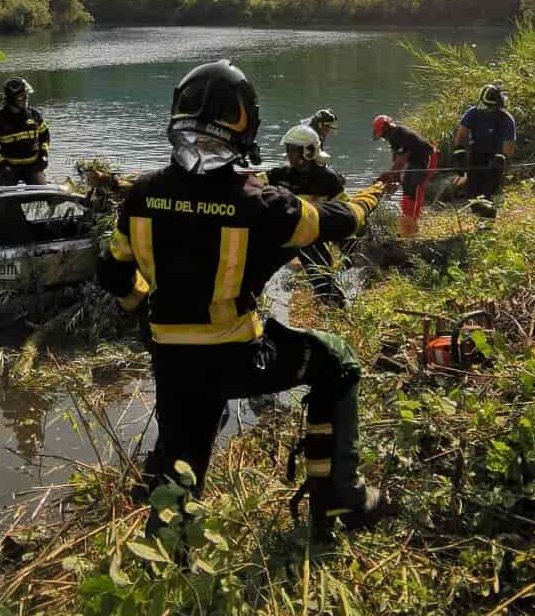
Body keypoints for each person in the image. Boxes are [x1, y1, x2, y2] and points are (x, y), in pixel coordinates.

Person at [96, 59, 394, 536]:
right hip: (240, 358)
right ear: (245, 125)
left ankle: (164, 563)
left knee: (181, 464)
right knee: (337, 361)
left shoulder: (140, 197)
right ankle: (341, 497)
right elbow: (343, 220)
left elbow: (111, 274)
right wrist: (374, 193)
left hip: (172, 362)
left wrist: (142, 309)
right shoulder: (261, 203)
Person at [268, 124, 349, 308]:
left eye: (291, 150)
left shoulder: (328, 179)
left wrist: (344, 243)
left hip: (312, 237)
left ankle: (337, 307)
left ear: (308, 152)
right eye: (287, 149)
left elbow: (344, 211)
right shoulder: (280, 174)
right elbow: (257, 183)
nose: (288, 154)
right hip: (285, 236)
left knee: (322, 281)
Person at [453, 85, 515, 218]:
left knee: (489, 192)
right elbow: (462, 134)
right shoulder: (473, 113)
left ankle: (487, 224)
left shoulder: (506, 120)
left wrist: (500, 158)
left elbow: (508, 146)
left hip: (496, 158)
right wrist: (459, 155)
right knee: (473, 193)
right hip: (476, 155)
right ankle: (480, 217)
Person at [373, 114, 437, 239]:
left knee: (416, 188)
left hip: (427, 158)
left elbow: (402, 159)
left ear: (388, 127)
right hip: (414, 161)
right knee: (406, 187)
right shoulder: (392, 138)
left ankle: (413, 226)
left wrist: (388, 175)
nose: (383, 137)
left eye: (383, 133)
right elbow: (396, 157)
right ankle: (406, 225)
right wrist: (394, 179)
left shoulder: (401, 133)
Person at [0, 77, 50, 186]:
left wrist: (43, 155)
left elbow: (45, 136)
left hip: (33, 167)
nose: (27, 98)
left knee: (43, 194)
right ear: (13, 99)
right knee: (3, 198)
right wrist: (2, 165)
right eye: (23, 96)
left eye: (27, 95)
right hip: (9, 168)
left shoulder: (35, 115)